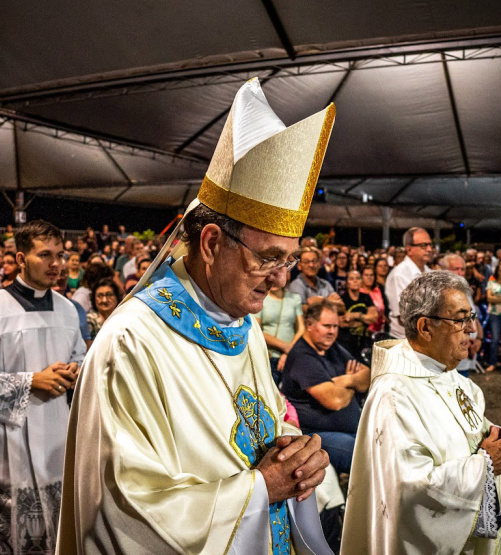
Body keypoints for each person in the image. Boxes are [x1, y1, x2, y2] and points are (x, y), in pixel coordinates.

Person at [58, 79, 334, 554]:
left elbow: (258, 419)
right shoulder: (132, 342)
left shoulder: (241, 322)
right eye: (268, 258)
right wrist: (260, 490)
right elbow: (121, 506)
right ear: (210, 243)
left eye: (288, 259)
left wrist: (295, 450)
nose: (279, 279)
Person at [342, 271, 501, 554]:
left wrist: (492, 435)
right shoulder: (394, 394)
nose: (471, 328)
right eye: (460, 319)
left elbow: (456, 434)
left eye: (471, 317)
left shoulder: (453, 377)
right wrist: (487, 464)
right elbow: (409, 490)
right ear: (426, 327)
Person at [0, 220, 86, 554]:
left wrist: (76, 370)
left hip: (55, 438)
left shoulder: (68, 310)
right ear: (21, 258)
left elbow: (79, 357)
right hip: (6, 446)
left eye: (59, 255)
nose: (56, 264)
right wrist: (32, 381)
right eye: (45, 255)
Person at [280, 300, 369, 474]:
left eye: (335, 326)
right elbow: (334, 401)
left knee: (387, 443)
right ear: (309, 325)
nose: (332, 331)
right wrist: (353, 382)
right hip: (316, 436)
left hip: (350, 430)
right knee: (368, 455)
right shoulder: (302, 356)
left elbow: (367, 376)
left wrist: (344, 381)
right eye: (326, 326)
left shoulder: (332, 347)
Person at [384, 227, 434, 339]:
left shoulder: (430, 273)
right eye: (423, 245)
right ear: (409, 249)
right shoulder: (399, 274)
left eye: (430, 245)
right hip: (404, 340)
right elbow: (405, 316)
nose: (429, 249)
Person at [257, 282, 305, 383]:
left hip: (290, 356)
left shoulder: (294, 298)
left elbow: (301, 329)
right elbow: (256, 330)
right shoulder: (260, 298)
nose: (274, 282)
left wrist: (288, 352)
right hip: (268, 355)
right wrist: (284, 347)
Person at [338, 270, 377, 360]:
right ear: (347, 282)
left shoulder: (366, 297)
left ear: (361, 281)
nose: (355, 281)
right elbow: (342, 323)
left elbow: (374, 317)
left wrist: (356, 316)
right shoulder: (342, 300)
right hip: (346, 344)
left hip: (364, 341)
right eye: (351, 279)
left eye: (358, 278)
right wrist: (365, 319)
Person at [287, 247, 339, 311]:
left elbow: (340, 306)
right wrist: (329, 301)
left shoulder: (326, 284)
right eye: (306, 262)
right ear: (299, 266)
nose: (311, 265)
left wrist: (318, 300)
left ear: (319, 264)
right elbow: (302, 310)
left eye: (314, 261)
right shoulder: (295, 285)